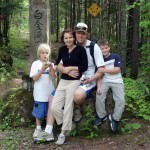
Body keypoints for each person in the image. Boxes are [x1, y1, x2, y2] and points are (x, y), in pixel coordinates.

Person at [39, 29, 88, 145]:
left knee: (68, 107)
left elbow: (84, 66)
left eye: (70, 37)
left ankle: (62, 133)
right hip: (63, 81)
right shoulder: (62, 50)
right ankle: (67, 124)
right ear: (63, 39)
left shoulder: (81, 50)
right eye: (66, 38)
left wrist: (69, 68)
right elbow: (56, 64)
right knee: (55, 107)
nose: (68, 40)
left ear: (74, 38)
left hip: (75, 81)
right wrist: (63, 70)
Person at [72, 22, 105, 121]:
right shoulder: (72, 45)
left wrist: (91, 79)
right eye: (78, 33)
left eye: (83, 33)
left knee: (78, 96)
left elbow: (101, 69)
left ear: (87, 34)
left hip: (89, 78)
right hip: (74, 77)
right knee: (58, 95)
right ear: (75, 34)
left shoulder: (93, 47)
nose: (80, 35)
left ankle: (76, 108)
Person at [93, 40, 125, 132]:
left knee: (120, 99)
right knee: (99, 96)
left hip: (117, 81)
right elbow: (99, 75)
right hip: (105, 81)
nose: (104, 50)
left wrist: (103, 70)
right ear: (99, 50)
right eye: (102, 49)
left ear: (109, 48)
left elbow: (117, 70)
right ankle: (102, 116)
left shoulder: (115, 56)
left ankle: (115, 118)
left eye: (106, 48)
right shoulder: (99, 60)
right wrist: (98, 87)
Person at [29, 43, 55, 141]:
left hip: (49, 93)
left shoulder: (51, 64)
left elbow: (53, 78)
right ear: (39, 54)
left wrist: (51, 69)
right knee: (38, 112)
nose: (45, 55)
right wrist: (42, 70)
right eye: (42, 53)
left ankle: (49, 130)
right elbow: (34, 78)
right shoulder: (35, 64)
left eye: (47, 53)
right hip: (39, 93)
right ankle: (38, 128)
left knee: (49, 111)